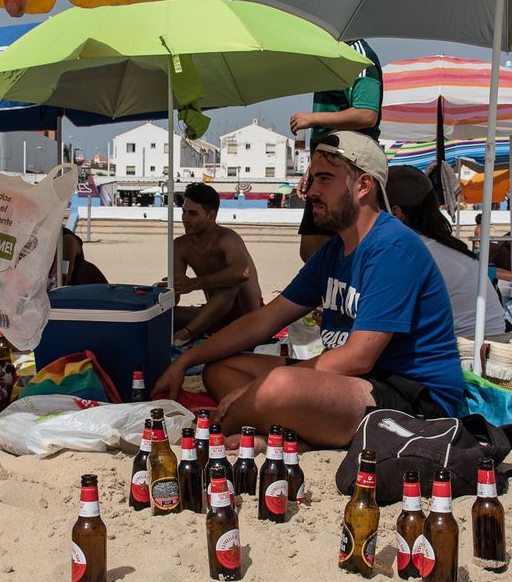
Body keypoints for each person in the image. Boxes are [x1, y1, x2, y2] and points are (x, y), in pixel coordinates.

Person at [153, 132, 463, 447]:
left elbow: (359, 358)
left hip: (414, 395)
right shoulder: (335, 250)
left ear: (363, 186)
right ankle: (289, 434)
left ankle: (232, 430)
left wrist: (258, 389)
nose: (311, 191)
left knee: (277, 386)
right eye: (313, 179)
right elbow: (264, 320)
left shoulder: (392, 247)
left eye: (325, 179)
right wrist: (186, 360)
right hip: (357, 381)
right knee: (221, 370)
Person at [385, 166, 505, 341]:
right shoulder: (442, 246)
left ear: (396, 213)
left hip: (466, 354)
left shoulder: (413, 254)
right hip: (487, 346)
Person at [289, 39, 382, 262]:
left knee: (338, 247)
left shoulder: (358, 56)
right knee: (313, 250)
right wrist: (315, 167)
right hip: (332, 163)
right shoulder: (334, 56)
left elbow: (367, 113)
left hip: (348, 166)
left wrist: (312, 119)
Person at [169, 182, 262, 345]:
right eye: (183, 212)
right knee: (162, 316)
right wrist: (169, 290)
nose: (185, 219)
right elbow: (175, 297)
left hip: (247, 318)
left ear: (211, 216)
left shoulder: (227, 238)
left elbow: (242, 272)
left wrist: (193, 284)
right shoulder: (180, 246)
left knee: (231, 281)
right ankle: (189, 332)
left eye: (192, 214)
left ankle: (187, 334)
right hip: (211, 317)